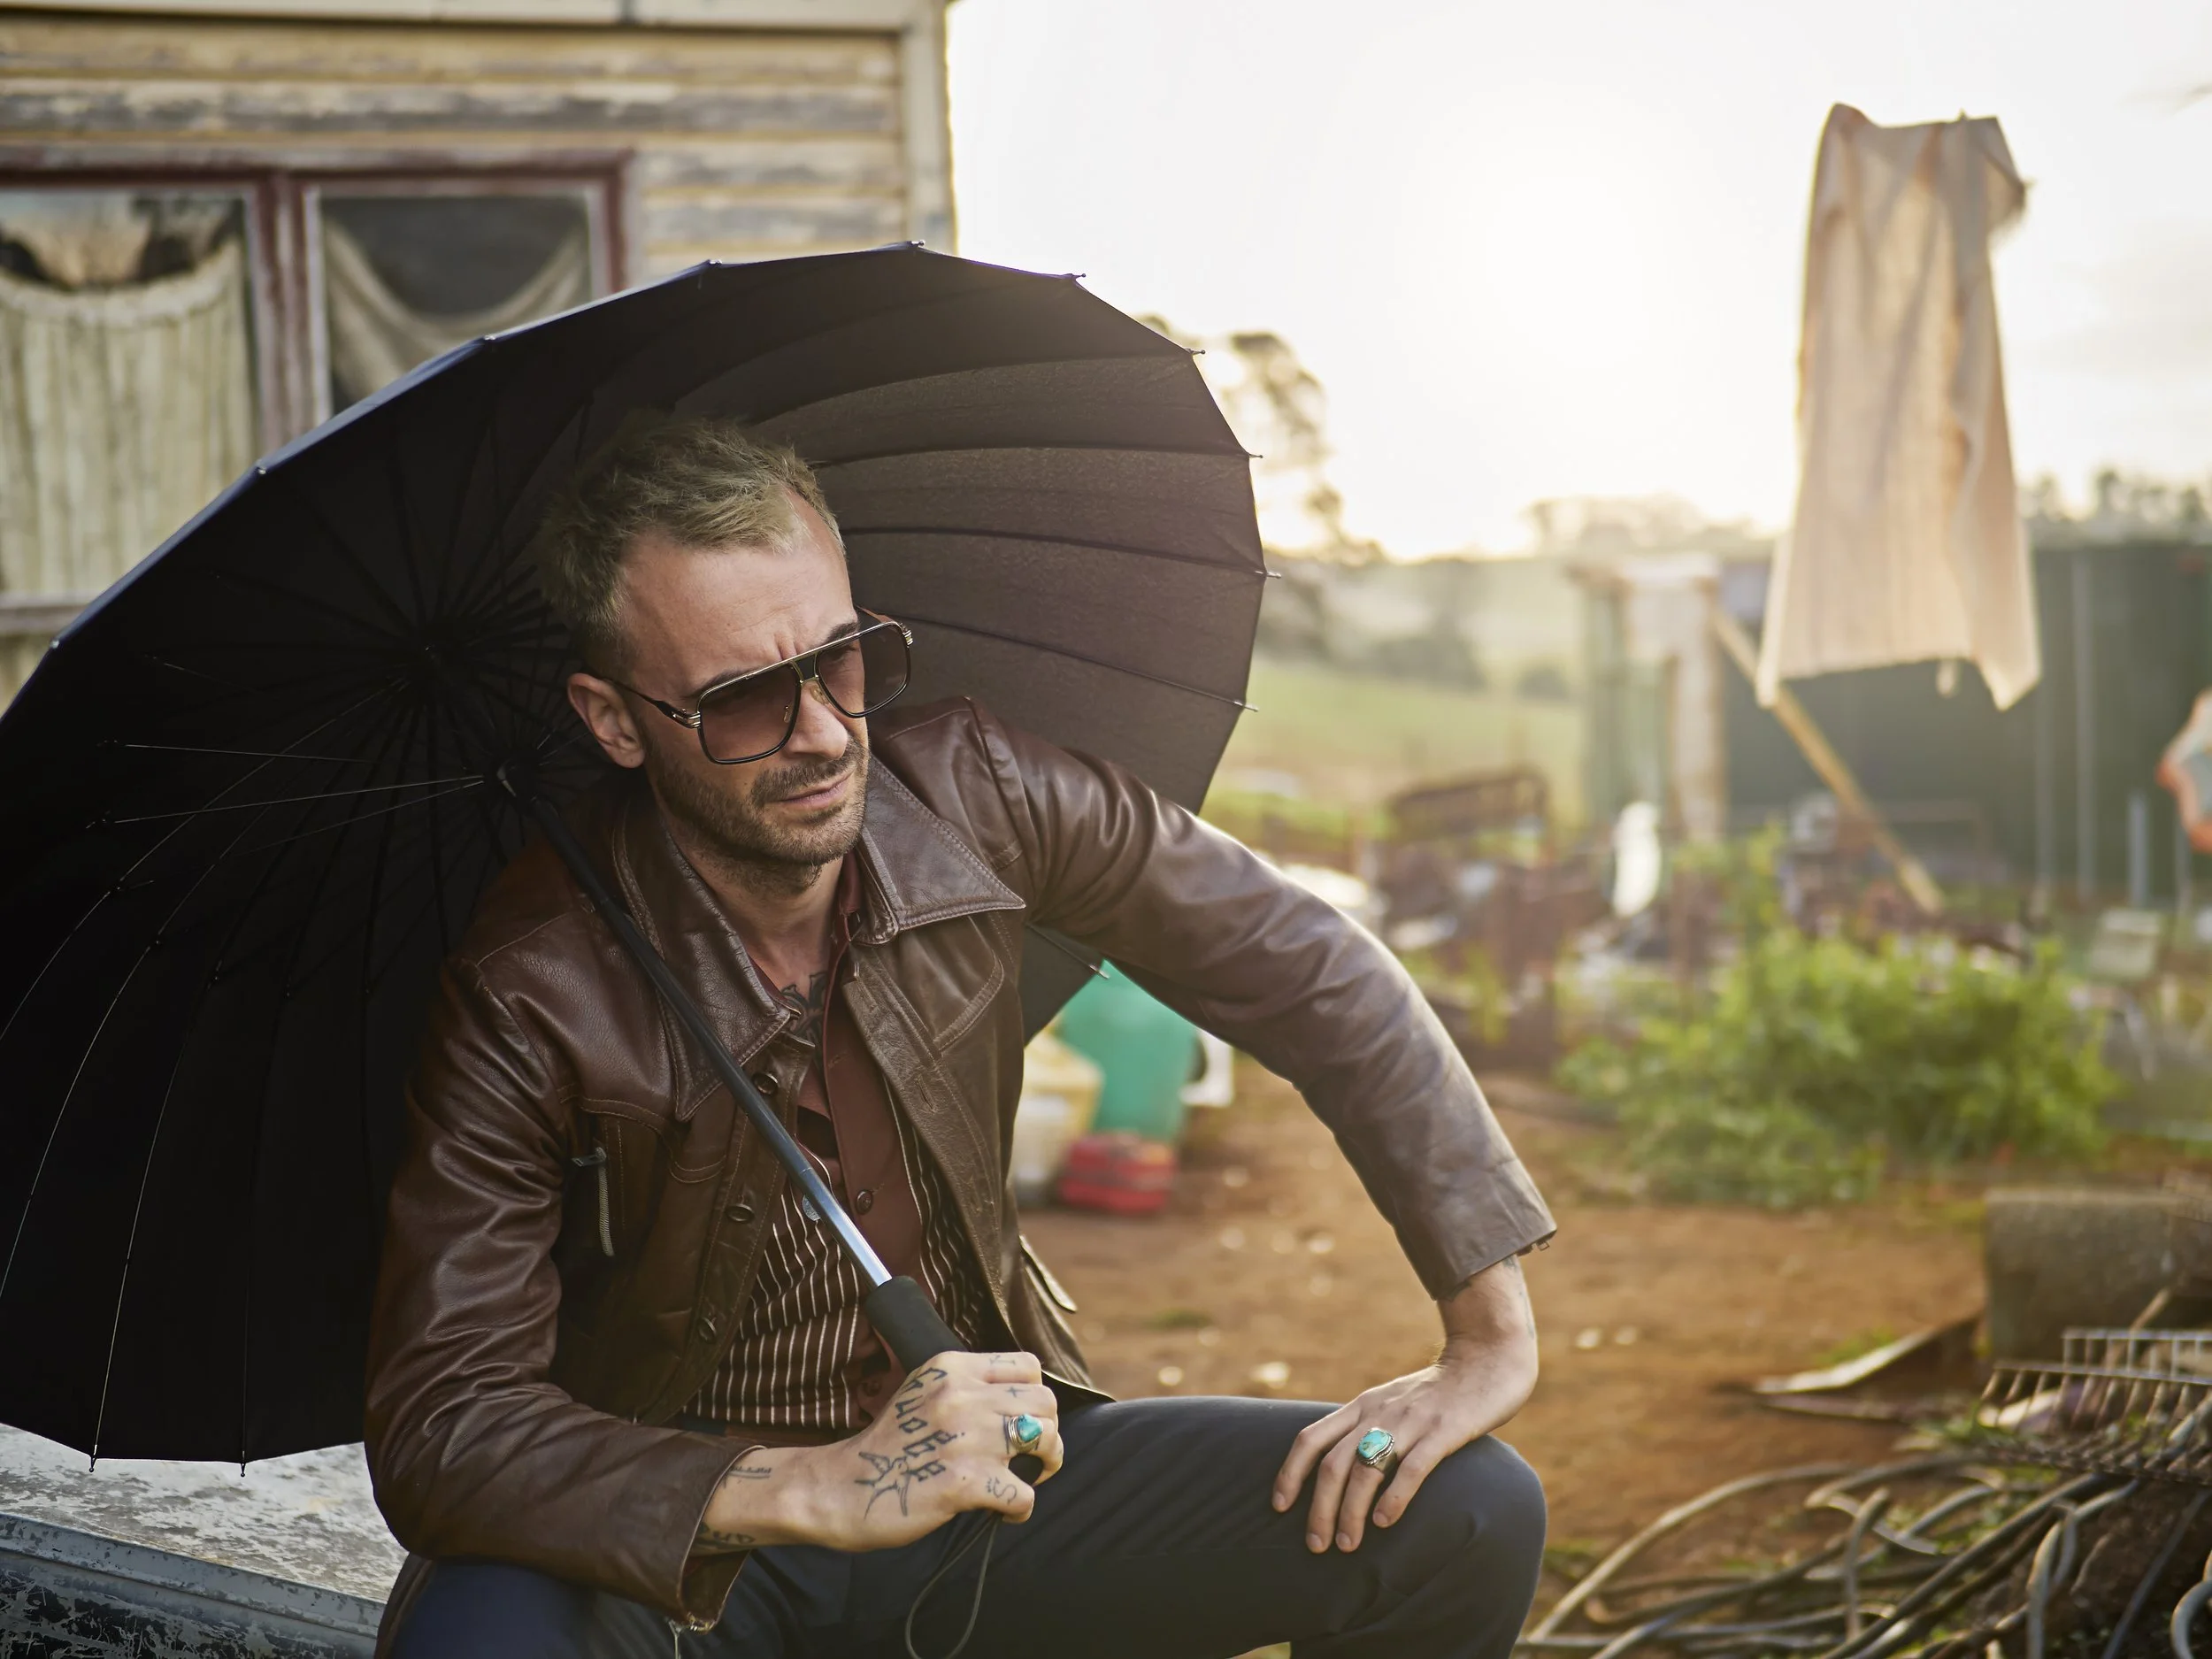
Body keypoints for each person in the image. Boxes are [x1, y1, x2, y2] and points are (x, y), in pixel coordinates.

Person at [365, 418, 1557, 1658]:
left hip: (997, 1490)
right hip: (700, 1546)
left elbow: (1311, 966)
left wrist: (1488, 1331)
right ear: (615, 720)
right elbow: (448, 1422)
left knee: (1466, 1512)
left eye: (843, 660)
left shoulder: (978, 797)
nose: (824, 732)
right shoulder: (528, 987)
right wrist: (807, 1486)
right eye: (745, 699)